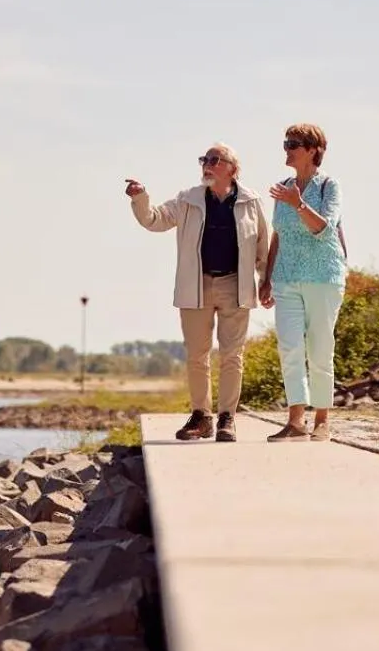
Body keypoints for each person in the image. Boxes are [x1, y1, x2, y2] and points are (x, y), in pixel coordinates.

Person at [126, 143, 273, 442]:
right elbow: (153, 219)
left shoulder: (250, 200)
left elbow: (262, 246)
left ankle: (227, 419)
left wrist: (266, 281)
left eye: (214, 160)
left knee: (232, 356)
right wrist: (141, 198)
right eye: (204, 159)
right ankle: (201, 416)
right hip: (197, 285)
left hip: (236, 285)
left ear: (232, 168)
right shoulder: (187, 199)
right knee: (197, 355)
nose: (207, 164)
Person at [263, 124, 347, 442]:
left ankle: (322, 418)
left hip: (323, 277)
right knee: (289, 346)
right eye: (285, 142)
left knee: (320, 347)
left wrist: (298, 203)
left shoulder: (329, 186)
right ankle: (296, 420)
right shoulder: (282, 187)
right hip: (286, 278)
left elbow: (323, 229)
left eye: (293, 143)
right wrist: (267, 278)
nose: (287, 148)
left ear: (313, 149)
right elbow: (278, 234)